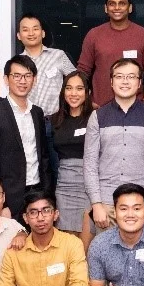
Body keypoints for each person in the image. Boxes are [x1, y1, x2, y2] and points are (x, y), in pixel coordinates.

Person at [83, 57, 144, 233]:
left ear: (139, 83)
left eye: (131, 77)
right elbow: (90, 164)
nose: (125, 81)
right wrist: (96, 204)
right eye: (120, 76)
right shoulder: (98, 116)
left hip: (139, 204)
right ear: (112, 82)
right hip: (106, 204)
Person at [0, 55, 52, 218]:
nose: (22, 81)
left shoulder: (37, 113)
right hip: (10, 198)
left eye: (27, 76)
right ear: (6, 79)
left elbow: (44, 156)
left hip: (38, 193)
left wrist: (47, 193)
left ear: (34, 80)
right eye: (17, 76)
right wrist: (2, 203)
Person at [78, 0, 144, 106]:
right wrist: (89, 102)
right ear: (106, 8)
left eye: (122, 3)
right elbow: (82, 72)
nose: (117, 8)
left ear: (130, 8)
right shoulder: (94, 35)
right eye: (112, 4)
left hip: (135, 109)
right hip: (100, 107)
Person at [52, 71, 95, 251]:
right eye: (69, 88)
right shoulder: (54, 120)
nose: (73, 93)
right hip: (63, 187)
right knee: (67, 249)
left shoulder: (96, 118)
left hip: (88, 187)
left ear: (87, 91)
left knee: (85, 250)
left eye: (79, 88)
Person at [18, 12, 77, 117]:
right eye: (25, 30)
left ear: (43, 33)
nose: (31, 33)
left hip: (57, 120)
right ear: (19, 36)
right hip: (27, 119)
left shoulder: (58, 55)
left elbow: (76, 80)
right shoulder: (17, 62)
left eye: (35, 29)